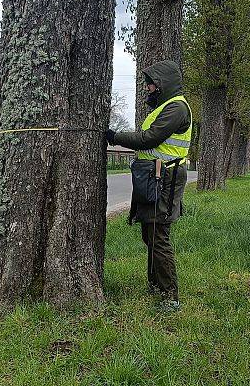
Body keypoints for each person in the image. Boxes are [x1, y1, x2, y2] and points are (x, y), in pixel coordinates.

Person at [106, 60, 192, 312]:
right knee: (150, 233)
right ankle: (156, 285)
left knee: (158, 235)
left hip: (165, 178)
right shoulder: (165, 107)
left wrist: (114, 137)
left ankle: (170, 297)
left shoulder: (176, 108)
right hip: (154, 178)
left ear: (163, 83)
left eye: (151, 84)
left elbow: (149, 139)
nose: (148, 88)